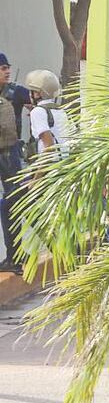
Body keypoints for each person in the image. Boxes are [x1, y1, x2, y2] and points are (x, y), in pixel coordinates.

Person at [0, 53, 31, 273]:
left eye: (7, 67)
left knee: (12, 203)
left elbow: (37, 103)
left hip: (10, 155)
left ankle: (16, 255)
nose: (7, 71)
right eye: (2, 68)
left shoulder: (17, 92)